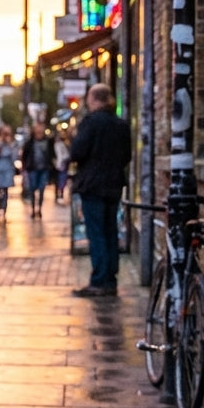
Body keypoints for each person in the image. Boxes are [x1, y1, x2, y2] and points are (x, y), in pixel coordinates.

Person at [69, 83, 133, 297]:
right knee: (110, 231)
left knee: (96, 233)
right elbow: (127, 156)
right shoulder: (121, 125)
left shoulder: (91, 123)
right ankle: (110, 279)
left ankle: (99, 280)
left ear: (94, 99)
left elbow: (77, 152)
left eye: (89, 98)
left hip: (93, 185)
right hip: (113, 185)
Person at [21, 123, 56, 218]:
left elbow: (52, 154)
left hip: (44, 169)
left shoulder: (48, 142)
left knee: (41, 189)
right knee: (33, 189)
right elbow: (25, 155)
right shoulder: (30, 142)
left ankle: (39, 209)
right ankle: (33, 209)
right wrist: (25, 166)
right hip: (33, 168)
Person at [53, 128, 72, 204]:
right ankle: (59, 195)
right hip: (60, 165)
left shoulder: (63, 144)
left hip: (62, 165)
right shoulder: (59, 144)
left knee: (61, 180)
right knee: (60, 181)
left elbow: (64, 155)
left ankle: (60, 195)